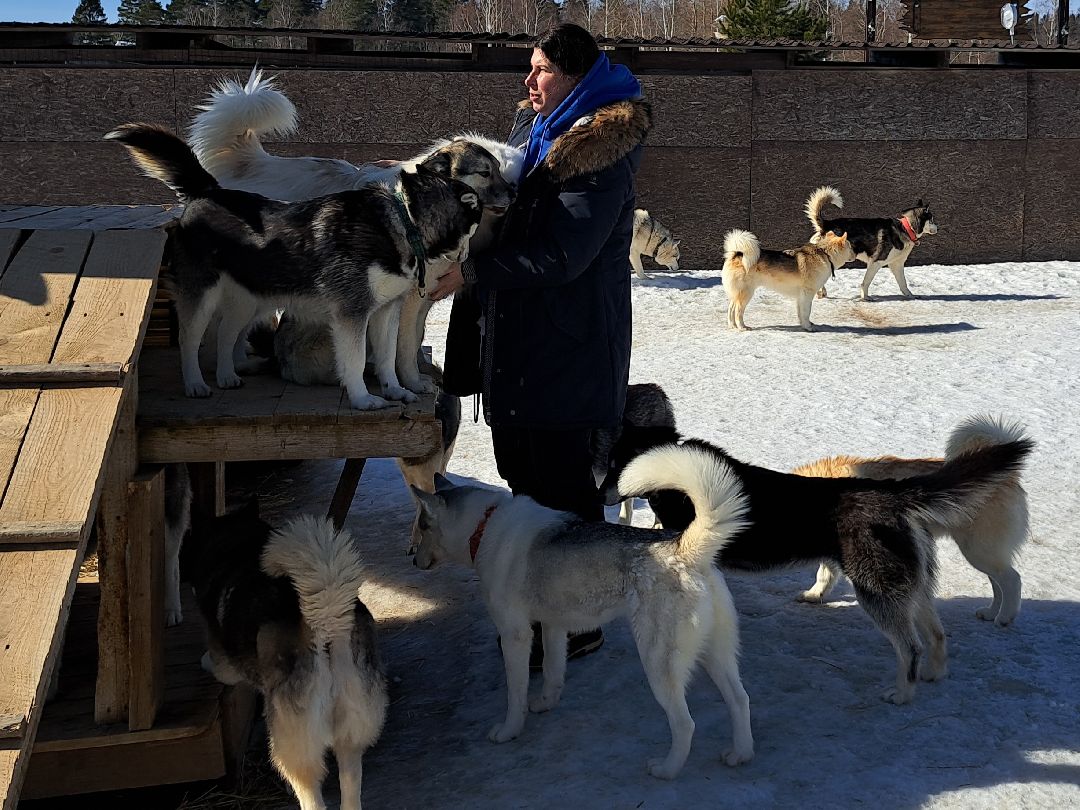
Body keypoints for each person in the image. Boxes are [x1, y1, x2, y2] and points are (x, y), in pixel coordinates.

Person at [431, 23, 652, 662]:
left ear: (577, 77)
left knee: (562, 492)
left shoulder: (599, 155)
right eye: (529, 69)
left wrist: (470, 273)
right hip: (525, 346)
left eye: (542, 72)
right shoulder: (542, 132)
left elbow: (563, 255)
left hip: (568, 349)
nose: (529, 83)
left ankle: (579, 622)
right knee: (524, 480)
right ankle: (547, 611)